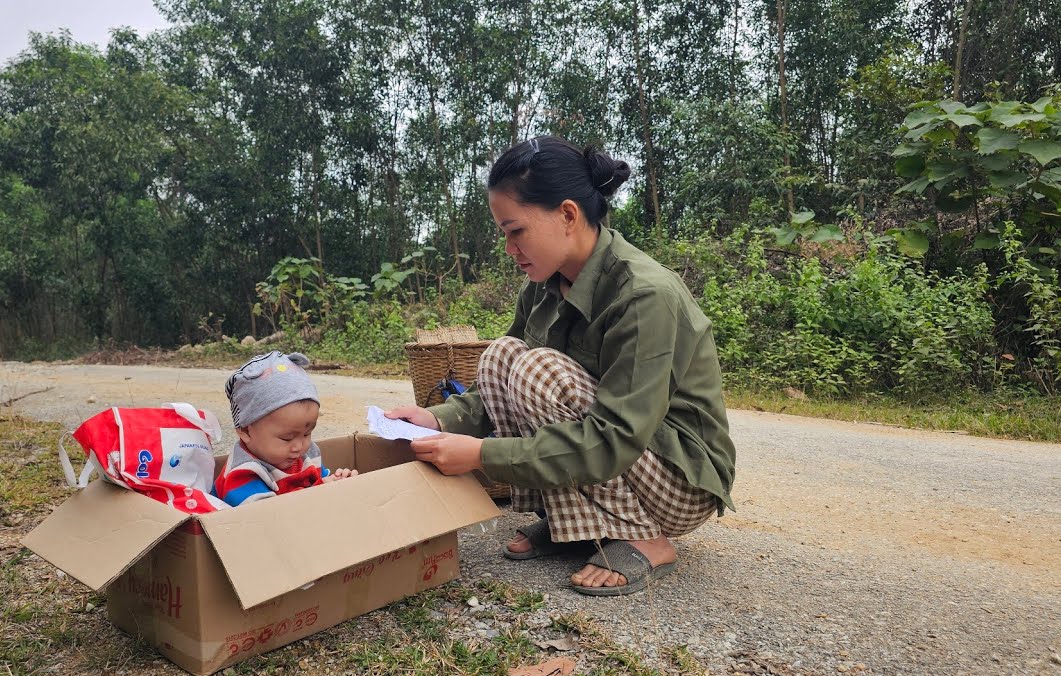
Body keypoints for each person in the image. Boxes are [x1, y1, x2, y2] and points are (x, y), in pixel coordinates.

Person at [386, 136, 735, 596]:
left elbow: (615, 439)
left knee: (538, 372)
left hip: (676, 479)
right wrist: (436, 419)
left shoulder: (644, 296)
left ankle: (647, 539)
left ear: (567, 215)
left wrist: (482, 455)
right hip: (622, 459)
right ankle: (576, 526)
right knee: (501, 357)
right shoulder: (545, 282)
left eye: (516, 231)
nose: (510, 249)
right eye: (504, 234)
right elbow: (495, 385)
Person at [216, 351, 357, 506]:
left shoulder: (306, 454)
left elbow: (321, 479)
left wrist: (339, 481)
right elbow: (265, 517)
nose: (299, 446)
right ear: (246, 431)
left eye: (307, 434)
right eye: (287, 438)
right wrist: (320, 490)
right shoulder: (243, 474)